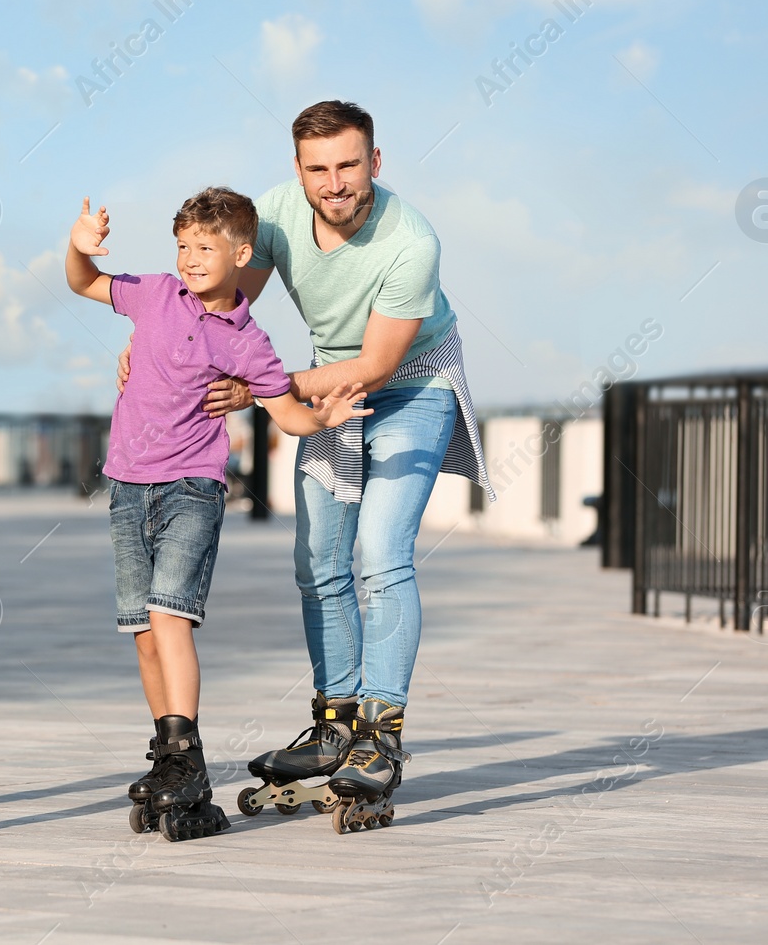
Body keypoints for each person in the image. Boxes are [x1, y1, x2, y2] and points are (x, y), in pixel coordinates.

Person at [120, 101, 492, 834]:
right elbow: (219, 304)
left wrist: (263, 386)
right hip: (325, 378)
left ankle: (379, 734)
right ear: (298, 170)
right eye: (318, 168)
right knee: (318, 556)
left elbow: (380, 363)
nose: (334, 182)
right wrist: (160, 341)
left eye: (349, 165)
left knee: (380, 552)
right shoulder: (279, 216)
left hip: (413, 384)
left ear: (374, 164)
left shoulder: (412, 240)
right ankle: (334, 721)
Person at [67, 186, 371, 841]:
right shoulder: (153, 293)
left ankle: (184, 762)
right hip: (125, 486)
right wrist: (78, 246)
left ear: (240, 254)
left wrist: (324, 417)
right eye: (182, 245)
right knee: (143, 630)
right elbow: (83, 282)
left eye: (206, 247)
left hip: (191, 489)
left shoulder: (247, 341)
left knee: (168, 616)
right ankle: (175, 759)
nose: (191, 258)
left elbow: (283, 409)